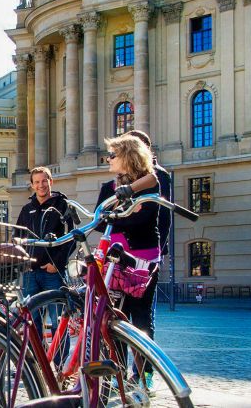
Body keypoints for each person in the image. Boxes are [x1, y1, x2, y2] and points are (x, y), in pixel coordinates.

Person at [95, 134, 160, 389]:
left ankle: (144, 374)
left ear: (127, 157)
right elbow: (100, 220)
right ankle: (117, 372)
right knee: (113, 319)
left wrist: (117, 217)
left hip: (142, 260)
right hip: (113, 260)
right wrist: (125, 214)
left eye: (113, 155)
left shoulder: (150, 183)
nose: (108, 159)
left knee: (142, 319)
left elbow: (146, 218)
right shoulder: (106, 188)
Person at [14, 166, 73, 362]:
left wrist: (57, 264)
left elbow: (70, 238)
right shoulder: (26, 209)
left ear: (51, 182)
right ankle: (36, 362)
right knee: (32, 320)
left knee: (58, 320)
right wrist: (22, 262)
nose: (41, 185)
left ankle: (58, 363)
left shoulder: (62, 205)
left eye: (44, 181)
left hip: (52, 273)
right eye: (37, 182)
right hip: (30, 272)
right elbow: (17, 237)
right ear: (32, 185)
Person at [125, 130, 172, 255]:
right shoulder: (127, 175)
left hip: (146, 250)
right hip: (125, 247)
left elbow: (163, 217)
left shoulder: (158, 175)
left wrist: (157, 252)